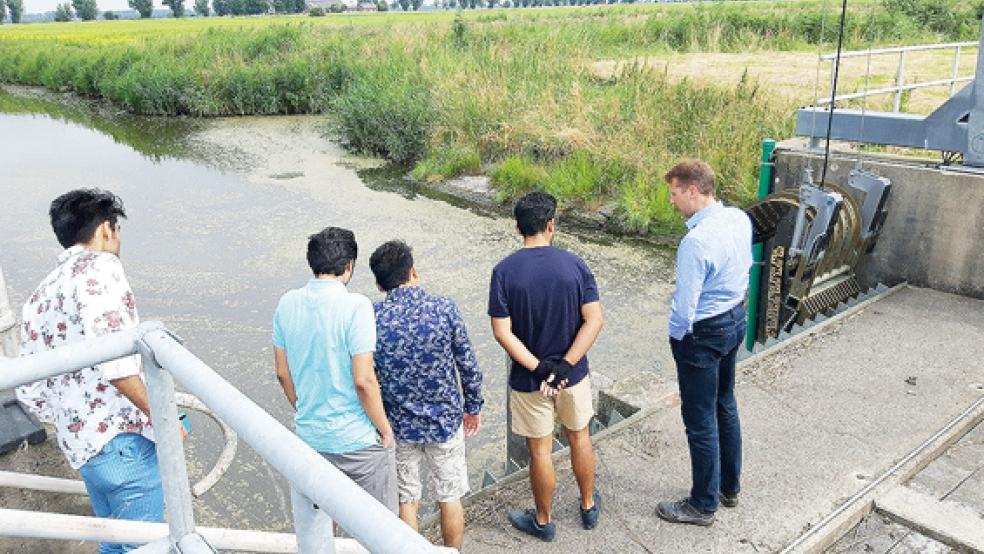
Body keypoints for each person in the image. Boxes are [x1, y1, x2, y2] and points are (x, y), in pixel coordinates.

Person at [17, 189, 164, 554]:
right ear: (105, 230)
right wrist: (162, 415)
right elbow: (116, 361)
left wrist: (73, 419)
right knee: (146, 546)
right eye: (117, 230)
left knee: (115, 543)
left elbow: (29, 389)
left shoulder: (41, 293)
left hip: (83, 447)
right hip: (122, 443)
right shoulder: (102, 270)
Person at [488, 191, 605, 542]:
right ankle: (587, 505)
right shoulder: (575, 264)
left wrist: (540, 369)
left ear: (517, 228)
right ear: (552, 224)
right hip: (573, 375)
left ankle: (543, 519)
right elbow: (594, 320)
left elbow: (502, 332)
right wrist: (566, 366)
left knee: (540, 450)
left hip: (529, 379)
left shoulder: (503, 272)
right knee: (579, 437)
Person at [272, 227, 398, 538]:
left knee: (318, 533)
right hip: (357, 442)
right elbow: (364, 380)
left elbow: (282, 373)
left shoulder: (287, 303)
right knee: (379, 532)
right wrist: (384, 429)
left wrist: (304, 409)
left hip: (310, 439)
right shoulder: (356, 307)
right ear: (350, 266)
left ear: (311, 263)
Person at [655, 160, 752, 526]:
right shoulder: (739, 219)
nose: (672, 201)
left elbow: (685, 307)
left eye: (675, 193)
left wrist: (677, 339)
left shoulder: (695, 242)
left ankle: (702, 504)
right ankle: (730, 487)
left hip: (704, 333)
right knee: (725, 403)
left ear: (693, 191)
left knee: (699, 420)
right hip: (735, 319)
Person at [369, 240, 484, 550]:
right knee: (450, 496)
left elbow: (368, 375)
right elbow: (469, 366)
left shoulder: (373, 318)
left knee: (408, 498)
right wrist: (473, 407)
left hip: (399, 426)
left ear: (380, 284)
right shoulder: (443, 309)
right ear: (413, 271)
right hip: (444, 422)